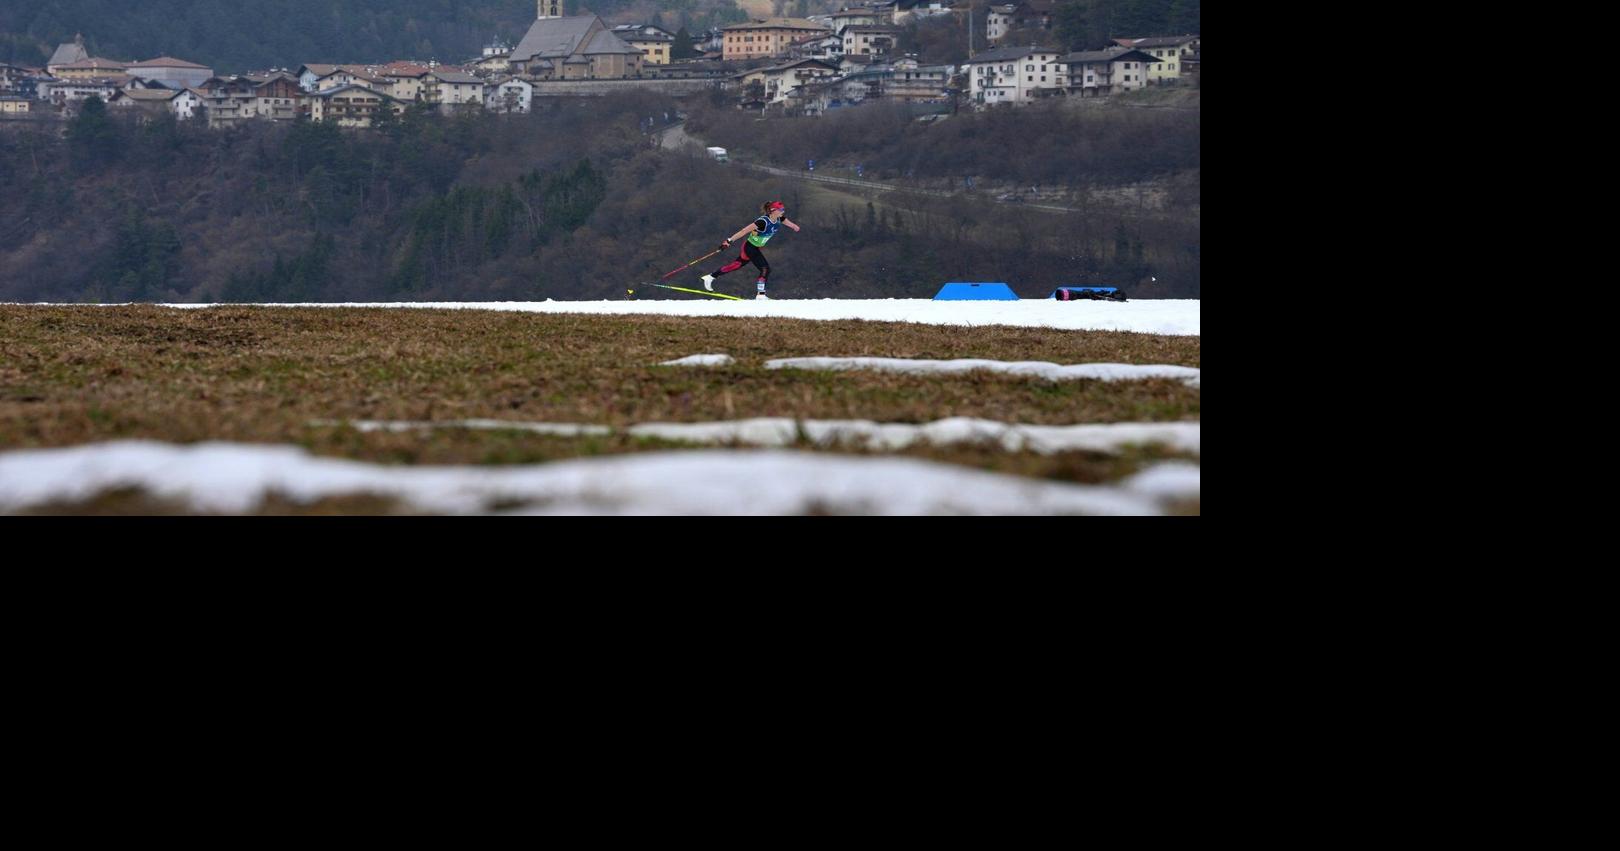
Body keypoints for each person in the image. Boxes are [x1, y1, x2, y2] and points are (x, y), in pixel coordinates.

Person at [701, 201, 800, 300]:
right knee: (765, 269)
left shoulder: (779, 218)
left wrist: (794, 226)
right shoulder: (762, 221)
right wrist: (728, 241)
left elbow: (786, 221)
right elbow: (744, 231)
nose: (783, 211)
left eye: (783, 209)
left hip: (755, 247)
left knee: (736, 265)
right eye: (781, 210)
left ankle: (710, 277)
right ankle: (760, 294)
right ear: (773, 211)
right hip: (750, 247)